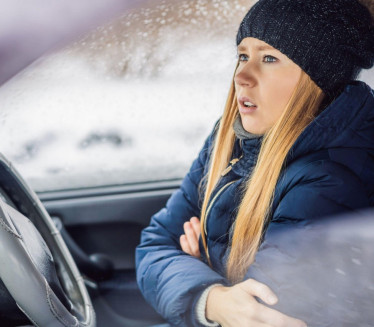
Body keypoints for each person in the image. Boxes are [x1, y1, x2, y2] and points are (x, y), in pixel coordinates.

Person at [136, 0, 374, 326]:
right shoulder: (230, 139)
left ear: (316, 81)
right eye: (243, 55)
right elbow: (155, 243)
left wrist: (203, 264)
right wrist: (213, 299)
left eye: (269, 58)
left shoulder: (329, 180)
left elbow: (259, 314)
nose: (242, 76)